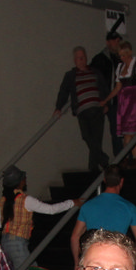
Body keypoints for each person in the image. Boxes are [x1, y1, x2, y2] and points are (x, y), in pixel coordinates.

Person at [0, 166, 76, 270]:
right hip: (18, 243)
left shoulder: (3, 200)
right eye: (24, 178)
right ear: (20, 182)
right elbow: (51, 209)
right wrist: (72, 203)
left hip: (4, 243)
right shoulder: (25, 200)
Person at [69, 167, 136, 269]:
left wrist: (77, 262)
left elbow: (75, 237)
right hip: (117, 257)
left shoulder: (87, 206)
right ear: (121, 181)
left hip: (93, 257)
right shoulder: (130, 208)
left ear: (104, 180)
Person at [54, 45, 110, 175]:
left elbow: (104, 88)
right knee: (87, 136)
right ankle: (103, 161)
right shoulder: (70, 75)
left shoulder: (95, 72)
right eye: (79, 58)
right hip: (82, 112)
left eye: (83, 57)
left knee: (96, 139)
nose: (82, 60)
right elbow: (63, 91)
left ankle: (93, 168)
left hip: (97, 109)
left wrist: (106, 103)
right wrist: (58, 107)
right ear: (75, 60)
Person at [105, 40, 136, 167]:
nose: (122, 58)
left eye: (124, 55)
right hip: (124, 103)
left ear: (129, 53)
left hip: (135, 101)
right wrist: (105, 100)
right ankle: (134, 158)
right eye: (120, 55)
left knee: (130, 131)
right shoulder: (120, 68)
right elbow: (117, 88)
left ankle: (127, 158)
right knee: (128, 132)